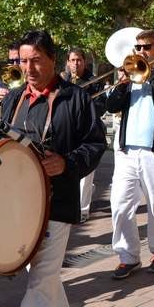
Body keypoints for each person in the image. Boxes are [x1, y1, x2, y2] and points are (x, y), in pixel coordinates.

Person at [0, 31, 106, 307]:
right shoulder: (13, 100)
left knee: (38, 281)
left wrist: (68, 162)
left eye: (36, 61)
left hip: (56, 204)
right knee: (41, 272)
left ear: (53, 60)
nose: (27, 68)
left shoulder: (76, 99)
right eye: (22, 61)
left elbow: (95, 144)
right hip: (17, 202)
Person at [106, 29, 154, 279]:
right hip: (128, 150)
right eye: (138, 48)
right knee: (119, 204)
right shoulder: (129, 75)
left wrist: (151, 75)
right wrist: (122, 84)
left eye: (147, 47)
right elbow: (111, 106)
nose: (141, 52)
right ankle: (128, 255)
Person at [62, 48, 108, 223]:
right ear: (67, 62)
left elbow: (101, 107)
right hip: (68, 133)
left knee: (86, 172)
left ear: (84, 61)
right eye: (72, 60)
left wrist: (82, 106)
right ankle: (77, 201)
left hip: (88, 132)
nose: (75, 64)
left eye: (79, 60)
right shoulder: (63, 81)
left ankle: (82, 210)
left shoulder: (95, 82)